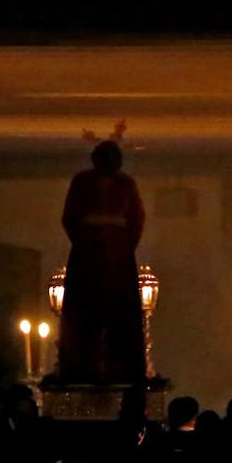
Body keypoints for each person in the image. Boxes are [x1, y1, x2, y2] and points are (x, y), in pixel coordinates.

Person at [57, 140, 146, 384]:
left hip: (113, 254)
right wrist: (88, 244)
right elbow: (70, 217)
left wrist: (121, 247)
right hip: (94, 253)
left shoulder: (126, 184)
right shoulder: (82, 182)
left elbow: (136, 219)